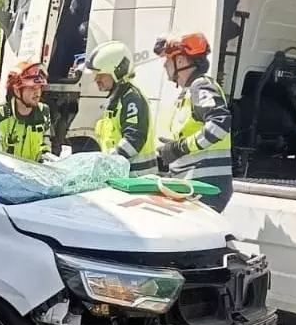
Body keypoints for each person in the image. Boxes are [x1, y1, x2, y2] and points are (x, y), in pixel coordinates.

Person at [153, 32, 234, 211]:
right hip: (193, 183)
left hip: (204, 184)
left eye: (168, 59)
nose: (165, 65)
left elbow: (220, 124)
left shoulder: (200, 86)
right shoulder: (190, 91)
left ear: (181, 61)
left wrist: (179, 147)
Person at [86, 40, 156, 176]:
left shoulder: (131, 99)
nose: (96, 80)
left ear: (117, 71)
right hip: (123, 178)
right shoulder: (116, 99)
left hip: (136, 179)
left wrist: (105, 163)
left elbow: (133, 140)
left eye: (101, 75)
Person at [0, 61, 52, 162]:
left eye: (39, 87)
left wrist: (47, 158)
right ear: (17, 91)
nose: (37, 92)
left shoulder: (43, 113)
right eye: (31, 88)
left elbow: (45, 146)